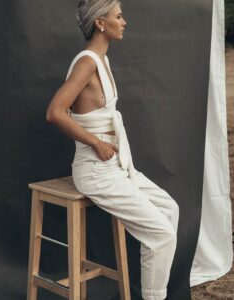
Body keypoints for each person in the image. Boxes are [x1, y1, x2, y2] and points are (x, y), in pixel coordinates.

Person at [46, 1, 179, 299]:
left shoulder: (101, 60)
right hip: (95, 171)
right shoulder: (88, 62)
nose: (125, 22)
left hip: (117, 166)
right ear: (101, 24)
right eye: (118, 16)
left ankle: (155, 291)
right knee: (161, 234)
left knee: (170, 210)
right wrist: (95, 142)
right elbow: (55, 112)